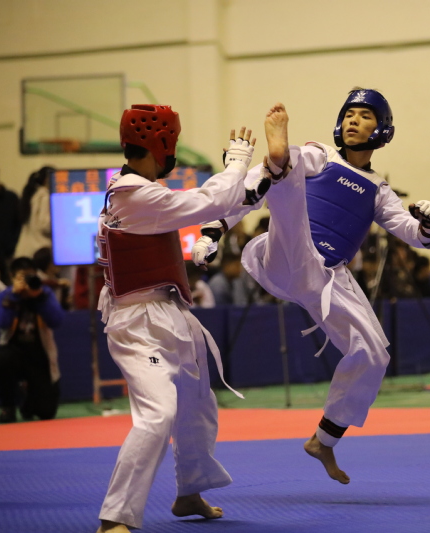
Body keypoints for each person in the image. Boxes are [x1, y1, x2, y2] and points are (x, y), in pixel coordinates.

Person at [193, 90, 430, 484]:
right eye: (349, 114)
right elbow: (267, 180)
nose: (353, 120)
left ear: (382, 130)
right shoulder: (320, 154)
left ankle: (324, 440)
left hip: (327, 279)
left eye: (364, 116)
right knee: (286, 171)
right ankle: (270, 168)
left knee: (373, 353)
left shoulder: (378, 190)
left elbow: (416, 236)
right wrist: (213, 231)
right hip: (285, 255)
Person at [94, 104, 271, 533]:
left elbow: (212, 203)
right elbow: (207, 201)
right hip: (138, 322)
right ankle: (115, 517)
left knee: (197, 403)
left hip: (167, 310)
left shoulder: (136, 188)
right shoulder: (135, 195)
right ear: (162, 144)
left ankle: (190, 491)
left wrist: (252, 180)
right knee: (159, 414)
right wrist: (236, 165)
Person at [0, 257, 64, 423]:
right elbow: (2, 323)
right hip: (13, 352)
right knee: (2, 358)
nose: (27, 281)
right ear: (12, 277)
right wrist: (14, 297)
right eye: (22, 277)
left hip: (39, 355)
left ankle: (28, 402)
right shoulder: (4, 295)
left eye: (30, 276)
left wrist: (39, 298)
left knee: (46, 412)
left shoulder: (44, 293)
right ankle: (8, 407)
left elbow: (57, 321)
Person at [14, 166, 54, 259]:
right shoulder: (45, 197)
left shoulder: (32, 195)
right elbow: (45, 224)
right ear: (47, 179)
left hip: (26, 249)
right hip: (40, 250)